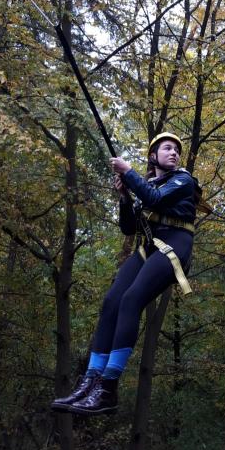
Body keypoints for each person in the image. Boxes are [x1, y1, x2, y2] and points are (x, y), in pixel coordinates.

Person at [51, 132, 197, 416]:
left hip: (174, 245)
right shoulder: (149, 184)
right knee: (112, 302)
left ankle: (108, 388)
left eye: (177, 150)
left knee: (131, 300)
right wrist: (124, 197)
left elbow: (155, 199)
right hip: (149, 247)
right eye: (167, 148)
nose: (174, 153)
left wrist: (129, 173)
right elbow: (129, 227)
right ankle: (90, 381)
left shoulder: (183, 180)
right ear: (153, 156)